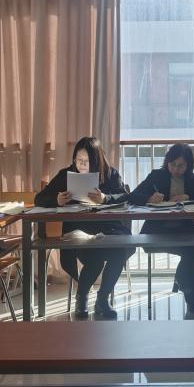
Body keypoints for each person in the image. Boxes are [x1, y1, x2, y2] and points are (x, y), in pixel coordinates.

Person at [34, 137, 131, 320]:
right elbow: (39, 198)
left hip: (108, 229)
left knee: (120, 251)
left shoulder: (110, 174)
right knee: (94, 258)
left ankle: (102, 299)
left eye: (87, 161)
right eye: (78, 160)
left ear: (97, 160)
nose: (82, 165)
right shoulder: (66, 174)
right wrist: (56, 200)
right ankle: (82, 299)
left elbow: (125, 197)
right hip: (79, 230)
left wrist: (105, 198)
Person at [125, 143, 194, 317]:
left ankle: (187, 290)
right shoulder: (157, 176)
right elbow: (132, 196)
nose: (176, 169)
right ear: (167, 163)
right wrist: (149, 198)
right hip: (157, 231)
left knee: (191, 248)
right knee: (191, 250)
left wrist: (187, 196)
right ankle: (191, 298)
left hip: (184, 230)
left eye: (181, 166)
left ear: (189, 165)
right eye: (172, 165)